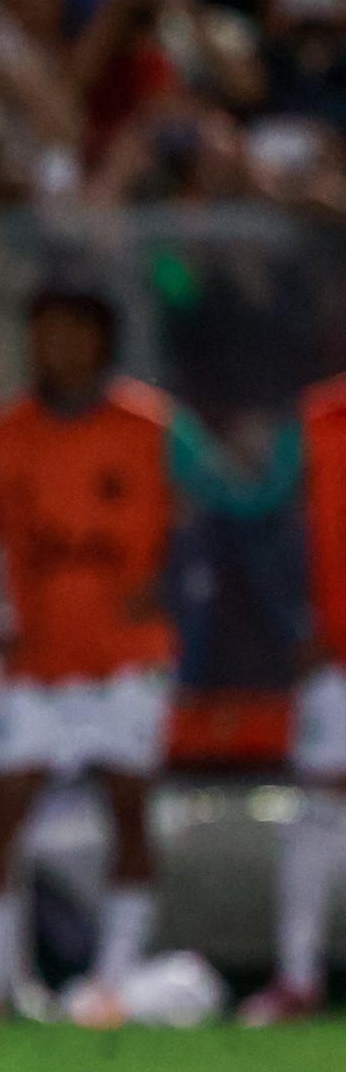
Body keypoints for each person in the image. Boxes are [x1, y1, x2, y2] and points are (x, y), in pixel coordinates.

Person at [0, 284, 250, 1030]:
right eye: (41, 333)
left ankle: (111, 981)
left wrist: (176, 585)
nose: (52, 349)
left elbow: (224, 508)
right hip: (38, 659)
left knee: (127, 808)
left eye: (68, 333)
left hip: (127, 657)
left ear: (101, 342)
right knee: (2, 810)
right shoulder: (6, 434)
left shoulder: (153, 426)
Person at [232, 375, 346, 1025]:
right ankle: (298, 978)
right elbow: (261, 518)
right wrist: (295, 624)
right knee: (319, 804)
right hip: (336, 650)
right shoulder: (318, 421)